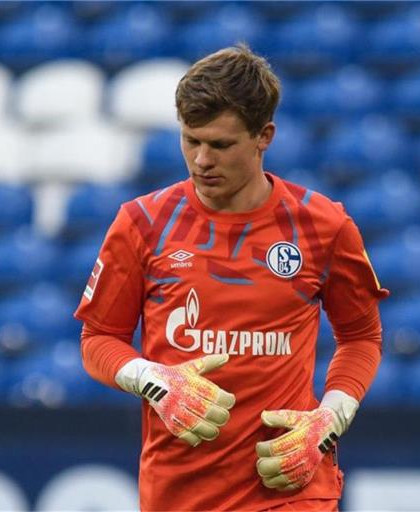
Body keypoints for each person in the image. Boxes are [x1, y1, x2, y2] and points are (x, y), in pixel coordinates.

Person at [74, 43, 389, 512]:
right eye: (190, 140)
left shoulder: (323, 226)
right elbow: (99, 337)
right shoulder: (141, 223)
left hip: (288, 486)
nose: (201, 160)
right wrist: (153, 379)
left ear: (264, 136)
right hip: (178, 492)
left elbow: (361, 336)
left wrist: (330, 418)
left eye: (220, 145)